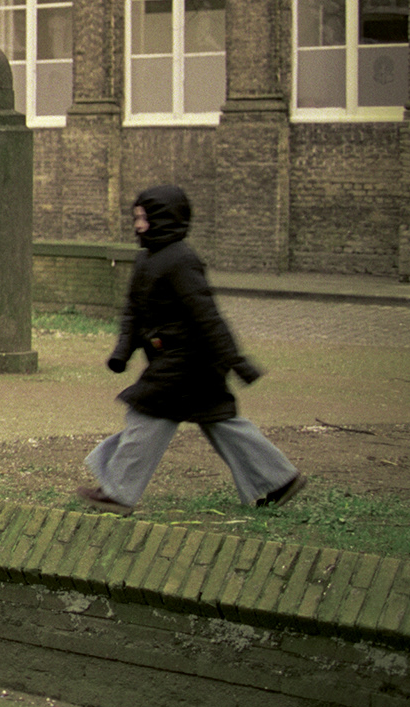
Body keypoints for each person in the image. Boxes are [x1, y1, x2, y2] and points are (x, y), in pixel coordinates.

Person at [76, 185, 306, 515]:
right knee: (221, 423)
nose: (138, 225)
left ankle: (118, 492)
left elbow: (207, 315)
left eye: (144, 218)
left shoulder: (182, 260)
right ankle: (278, 479)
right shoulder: (146, 258)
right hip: (177, 361)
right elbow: (134, 311)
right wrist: (121, 352)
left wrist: (237, 362)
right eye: (137, 218)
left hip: (189, 363)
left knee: (146, 416)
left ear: (163, 218)